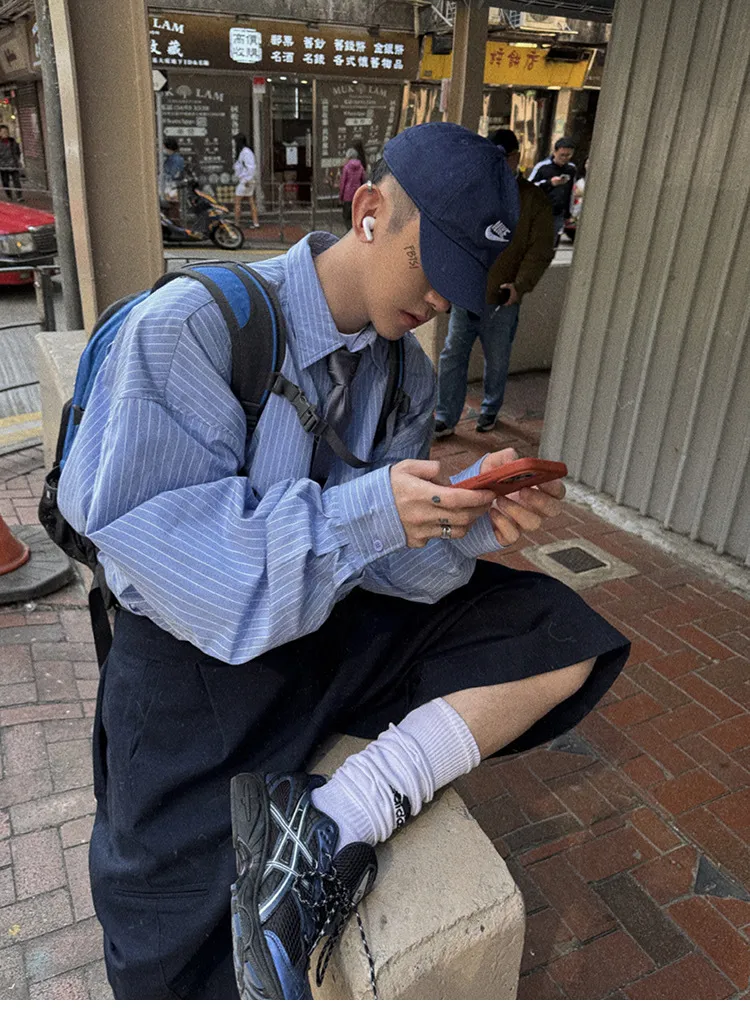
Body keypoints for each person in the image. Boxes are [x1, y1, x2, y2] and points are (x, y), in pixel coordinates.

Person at [58, 122, 629, 1001]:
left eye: (460, 283)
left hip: (325, 623)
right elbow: (186, 572)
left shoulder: (402, 375)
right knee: (167, 955)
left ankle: (330, 824)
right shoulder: (194, 328)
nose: (439, 298)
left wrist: (462, 524)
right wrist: (369, 515)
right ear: (368, 211)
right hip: (193, 662)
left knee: (559, 633)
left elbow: (381, 567)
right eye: (431, 263)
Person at [435, 129, 555, 437]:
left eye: (503, 157)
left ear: (516, 157)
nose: (498, 163)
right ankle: (445, 416)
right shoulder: (474, 194)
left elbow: (540, 249)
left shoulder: (533, 200)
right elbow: (456, 238)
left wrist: (520, 285)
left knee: (497, 360)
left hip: (503, 298)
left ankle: (489, 410)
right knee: (452, 355)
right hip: (467, 295)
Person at [528, 136, 576, 244]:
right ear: (555, 152)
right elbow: (529, 187)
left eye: (568, 155)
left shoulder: (571, 169)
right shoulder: (543, 167)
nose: (565, 158)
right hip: (541, 211)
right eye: (562, 155)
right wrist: (550, 183)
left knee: (551, 243)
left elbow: (571, 192)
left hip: (558, 213)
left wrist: (568, 213)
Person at [233, 133, 259, 229]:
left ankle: (236, 223)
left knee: (237, 202)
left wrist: (246, 179)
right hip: (248, 180)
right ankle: (256, 223)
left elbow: (251, 167)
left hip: (245, 181)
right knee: (251, 201)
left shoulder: (246, 152)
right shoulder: (246, 152)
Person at [339, 146, 366, 230]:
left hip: (347, 196)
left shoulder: (346, 167)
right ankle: (355, 231)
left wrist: (341, 196)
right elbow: (363, 180)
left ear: (349, 156)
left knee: (347, 217)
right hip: (357, 195)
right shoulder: (361, 167)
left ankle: (349, 231)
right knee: (356, 216)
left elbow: (343, 183)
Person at [161, 136, 184, 224]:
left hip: (171, 188)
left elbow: (173, 174)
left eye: (163, 147)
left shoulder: (175, 159)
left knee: (172, 209)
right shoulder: (172, 158)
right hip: (170, 188)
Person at [0, 124, 23, 202]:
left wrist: (17, 159)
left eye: (6, 131)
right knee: (5, 182)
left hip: (13, 164)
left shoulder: (13, 141)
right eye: (3, 132)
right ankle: (9, 195)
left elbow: (17, 151)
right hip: (3, 166)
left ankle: (19, 196)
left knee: (16, 181)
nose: (5, 133)